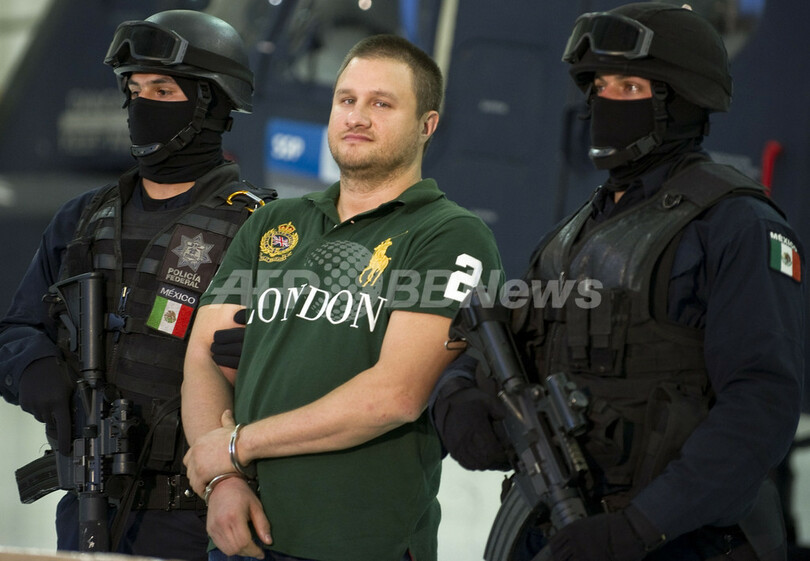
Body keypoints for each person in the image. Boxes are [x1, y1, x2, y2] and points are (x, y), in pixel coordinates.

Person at [431, 3, 805, 561]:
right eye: (599, 87)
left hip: (675, 542)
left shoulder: (736, 226)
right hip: (557, 529)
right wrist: (456, 397)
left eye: (628, 87)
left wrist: (637, 528)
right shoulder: (576, 232)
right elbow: (504, 337)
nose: (605, 103)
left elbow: (760, 408)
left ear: (681, 101)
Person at [181, 34, 503, 561]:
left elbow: (396, 395)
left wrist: (237, 446)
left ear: (427, 125)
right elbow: (204, 356)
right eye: (346, 99)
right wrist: (221, 481)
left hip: (362, 545)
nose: (357, 116)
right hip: (243, 536)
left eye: (381, 103)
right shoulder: (272, 222)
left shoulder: (451, 235)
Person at [0, 9, 274, 561]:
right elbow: (17, 328)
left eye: (163, 90)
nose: (142, 104)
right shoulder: (82, 218)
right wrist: (32, 367)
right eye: (134, 89)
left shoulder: (262, 227)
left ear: (212, 104)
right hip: (88, 503)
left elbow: (318, 352)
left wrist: (271, 353)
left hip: (206, 516)